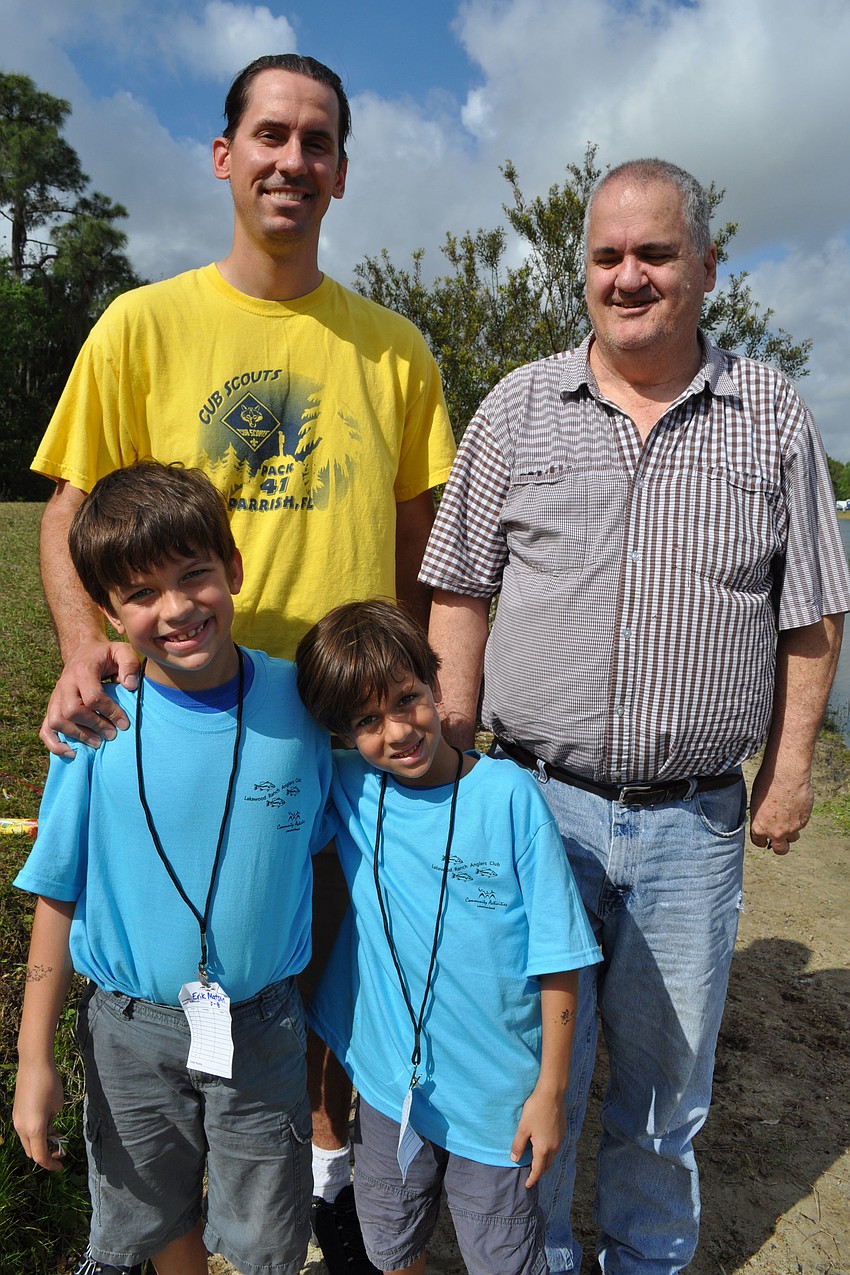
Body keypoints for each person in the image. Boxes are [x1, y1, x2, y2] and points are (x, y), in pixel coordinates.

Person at [31, 53, 456, 1273]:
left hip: (344, 723)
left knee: (331, 951)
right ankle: (189, 1194)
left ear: (341, 171)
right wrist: (81, 649)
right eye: (270, 135)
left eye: (318, 141)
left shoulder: (393, 350)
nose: (293, 161)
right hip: (180, 711)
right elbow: (67, 510)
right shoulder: (140, 324)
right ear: (226, 156)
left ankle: (320, 1162)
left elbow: (425, 551)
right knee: (203, 937)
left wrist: (426, 697)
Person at [418, 158, 850, 1273]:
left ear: (706, 266)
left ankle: (646, 1259)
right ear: (582, 272)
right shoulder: (518, 405)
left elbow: (810, 616)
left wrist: (791, 768)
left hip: (691, 829)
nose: (629, 276)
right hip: (532, 807)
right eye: (607, 255)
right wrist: (454, 747)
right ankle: (538, 1260)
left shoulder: (770, 414)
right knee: (531, 1072)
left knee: (664, 1092)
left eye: (654, 253)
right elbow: (457, 587)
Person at [13, 461, 332, 1275]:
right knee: (151, 1217)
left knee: (267, 1235)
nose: (178, 608)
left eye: (195, 576)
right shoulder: (94, 720)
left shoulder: (303, 705)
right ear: (109, 612)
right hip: (129, 1032)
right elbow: (56, 891)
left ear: (233, 568)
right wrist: (36, 1059)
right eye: (142, 594)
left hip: (261, 1027)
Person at [294, 600, 602, 1275]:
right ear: (342, 732)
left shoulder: (510, 798)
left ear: (436, 680)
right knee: (389, 1242)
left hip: (495, 1106)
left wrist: (550, 1090)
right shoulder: (348, 786)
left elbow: (560, 955)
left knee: (501, 1254)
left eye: (408, 699)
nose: (398, 731)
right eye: (367, 721)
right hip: (386, 1092)